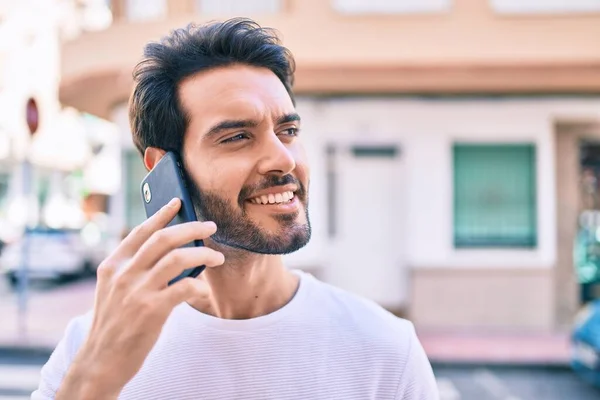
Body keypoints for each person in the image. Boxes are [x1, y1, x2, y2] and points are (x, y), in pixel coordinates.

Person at [32, 18, 438, 400]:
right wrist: (95, 381)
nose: (284, 159)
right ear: (163, 169)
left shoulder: (385, 348)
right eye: (238, 136)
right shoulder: (91, 346)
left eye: (289, 131)